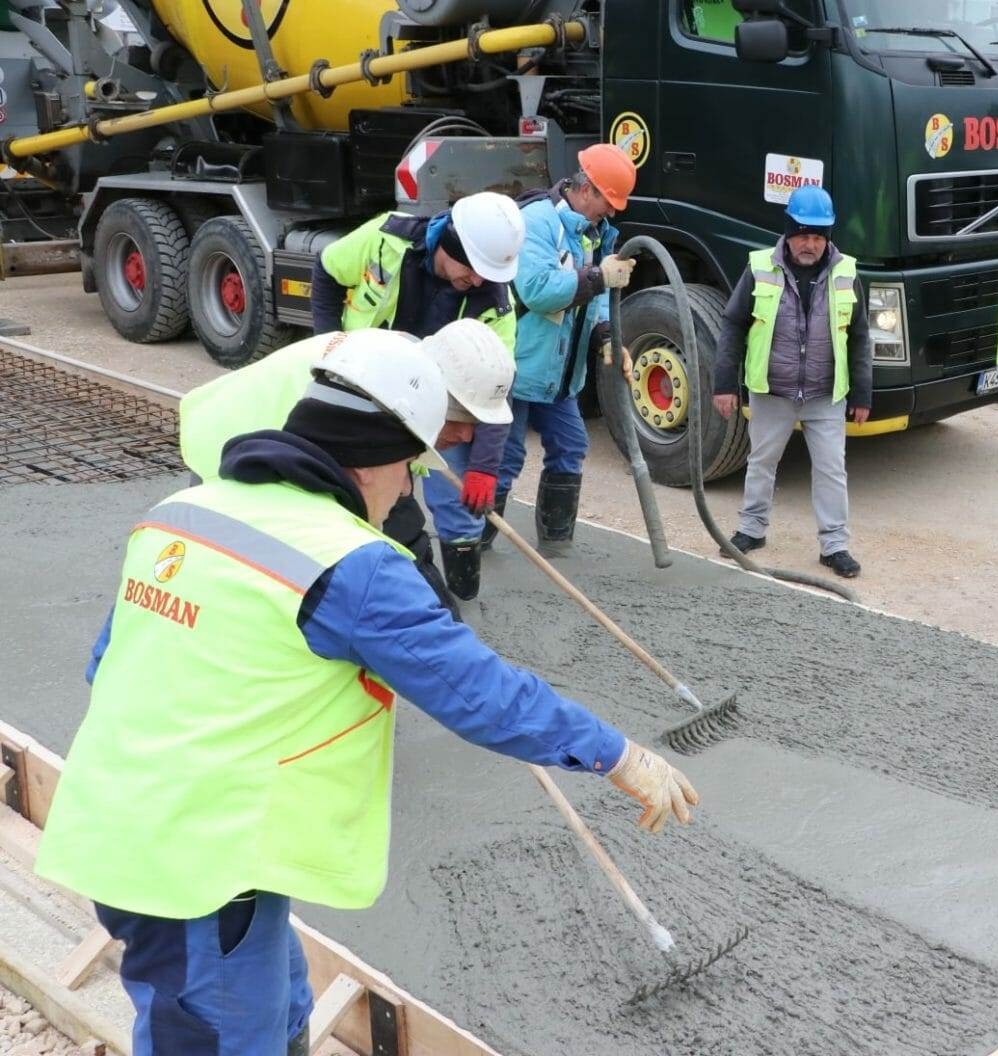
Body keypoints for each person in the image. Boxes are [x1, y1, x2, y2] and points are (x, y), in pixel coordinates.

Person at [36, 331, 696, 1054]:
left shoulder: (183, 515)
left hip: (121, 824)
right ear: (379, 461)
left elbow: (109, 663)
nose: (412, 489)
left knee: (280, 1000)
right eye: (412, 470)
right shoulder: (351, 566)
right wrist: (619, 755)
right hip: (196, 868)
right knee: (218, 1033)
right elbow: (484, 696)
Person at [176, 321, 516, 610]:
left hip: (264, 443)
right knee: (255, 587)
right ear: (436, 396)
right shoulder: (373, 395)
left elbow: (396, 501)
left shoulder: (402, 370)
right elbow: (402, 533)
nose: (468, 435)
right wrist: (447, 634)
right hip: (224, 452)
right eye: (463, 419)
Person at [312, 191, 525, 597]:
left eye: (487, 274)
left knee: (402, 512)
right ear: (449, 243)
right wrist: (327, 345)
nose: (478, 281)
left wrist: (483, 466)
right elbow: (326, 270)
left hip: (412, 414)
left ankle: (444, 600)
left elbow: (496, 389)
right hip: (352, 396)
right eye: (473, 267)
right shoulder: (386, 239)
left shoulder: (494, 303)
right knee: (347, 509)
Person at [712, 185, 872, 578]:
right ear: (788, 231)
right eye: (802, 234)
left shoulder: (846, 273)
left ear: (828, 238)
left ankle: (834, 546)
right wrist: (724, 384)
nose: (809, 244)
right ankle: (751, 530)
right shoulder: (760, 266)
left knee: (832, 470)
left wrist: (863, 393)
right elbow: (733, 325)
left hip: (825, 394)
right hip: (772, 389)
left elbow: (861, 336)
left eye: (818, 236)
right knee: (762, 461)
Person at [500, 144, 638, 558]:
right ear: (587, 189)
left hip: (560, 372)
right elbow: (539, 292)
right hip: (520, 367)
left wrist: (606, 337)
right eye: (608, 202)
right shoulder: (537, 223)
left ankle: (556, 542)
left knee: (571, 444)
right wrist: (599, 276)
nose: (611, 213)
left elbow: (593, 302)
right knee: (504, 457)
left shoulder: (591, 233)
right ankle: (472, 542)